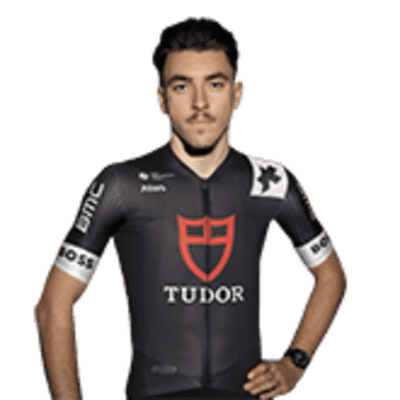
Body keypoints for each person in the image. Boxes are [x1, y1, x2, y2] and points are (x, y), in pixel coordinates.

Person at [33, 16, 348, 400]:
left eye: (215, 84)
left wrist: (295, 362)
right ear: (162, 100)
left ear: (237, 94)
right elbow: (53, 305)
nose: (200, 104)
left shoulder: (272, 180)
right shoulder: (121, 184)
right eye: (181, 86)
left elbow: (331, 275)